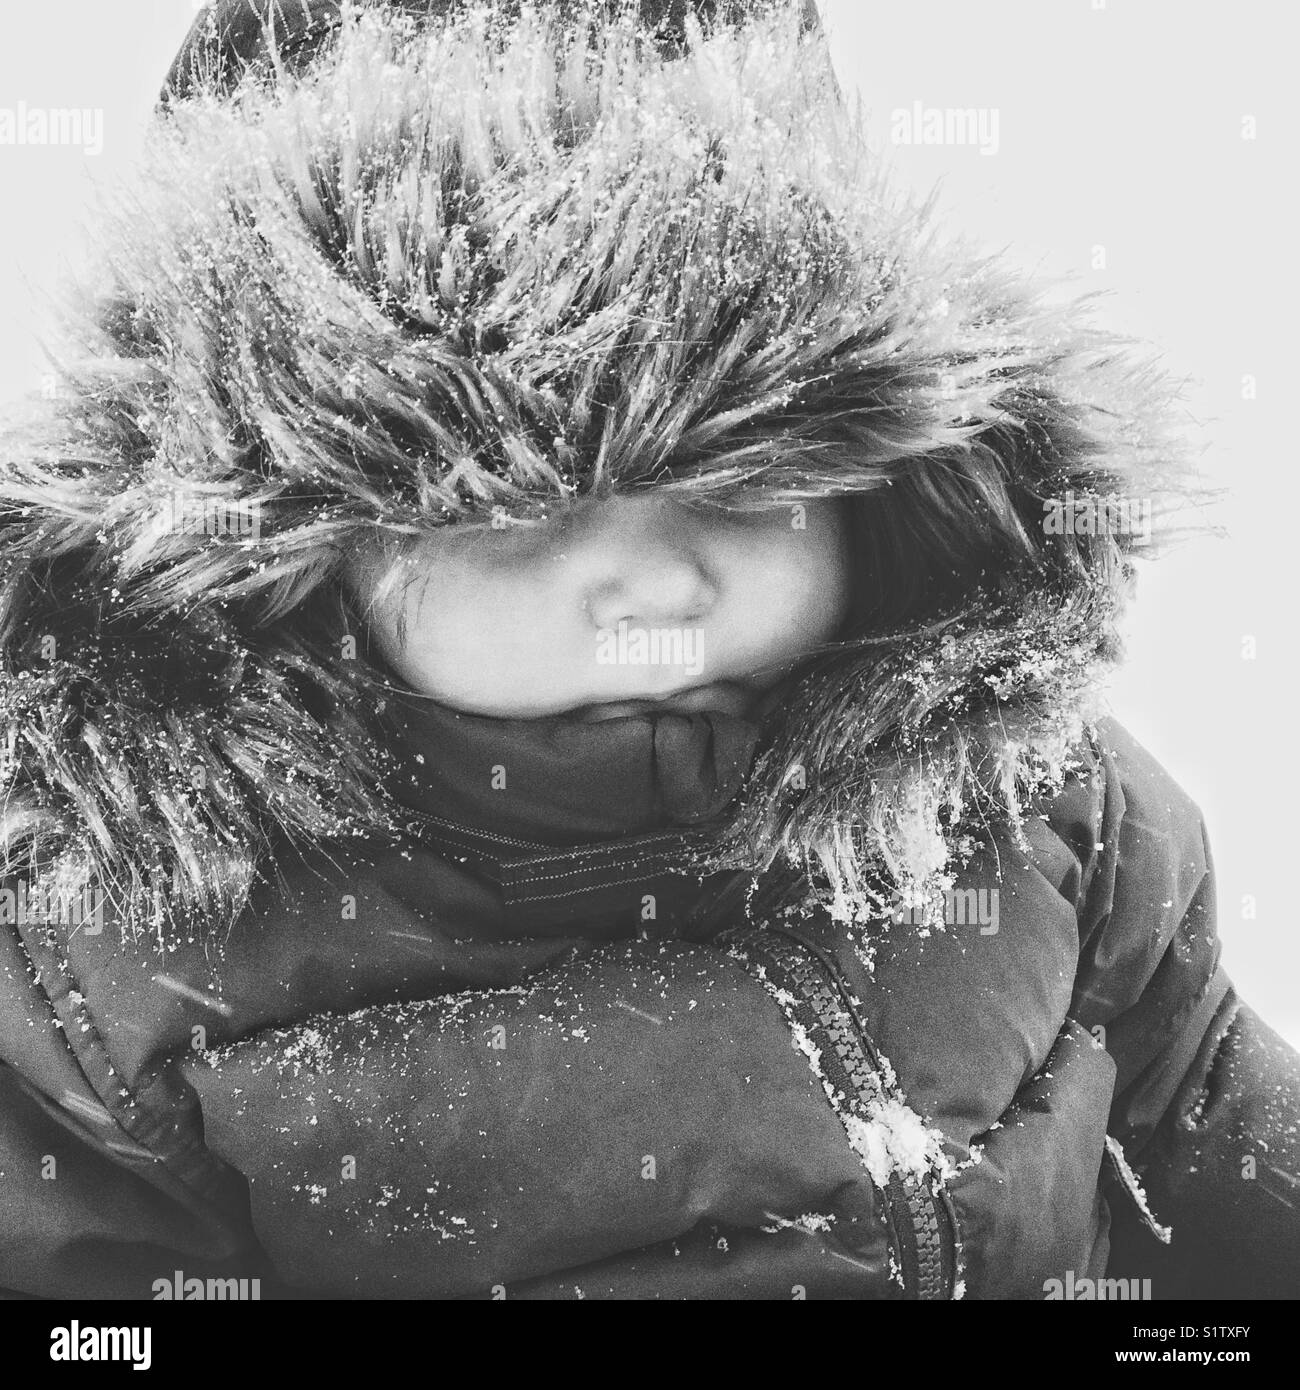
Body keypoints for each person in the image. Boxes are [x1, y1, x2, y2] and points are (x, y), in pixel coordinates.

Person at [0, 0, 1295, 1299]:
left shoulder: (1048, 815)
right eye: (510, 511)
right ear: (297, 568)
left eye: (746, 481)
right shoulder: (123, 985)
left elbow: (1219, 1160)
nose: (659, 579)